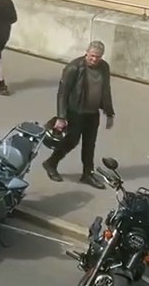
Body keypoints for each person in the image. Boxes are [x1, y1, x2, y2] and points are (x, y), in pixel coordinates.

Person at [41, 40, 116, 188]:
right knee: (71, 141)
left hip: (92, 113)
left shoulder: (104, 67)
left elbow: (106, 90)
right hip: (75, 112)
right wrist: (61, 117)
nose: (94, 59)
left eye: (98, 57)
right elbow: (62, 93)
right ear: (86, 53)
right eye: (92, 55)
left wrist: (109, 113)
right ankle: (51, 163)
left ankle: (87, 174)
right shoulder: (74, 67)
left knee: (90, 144)